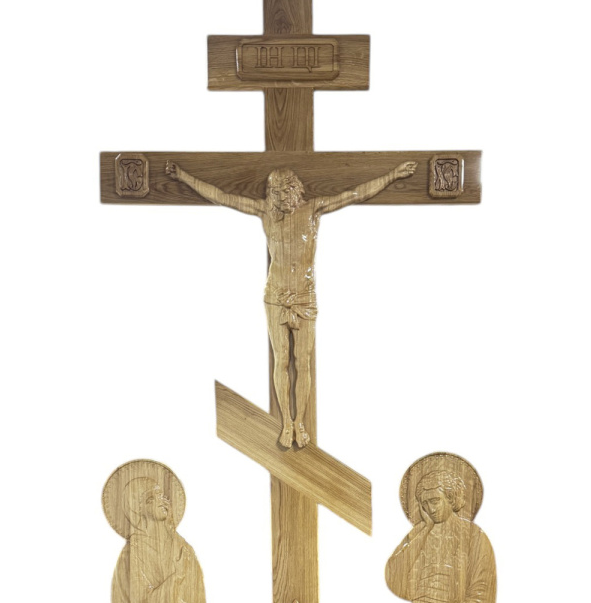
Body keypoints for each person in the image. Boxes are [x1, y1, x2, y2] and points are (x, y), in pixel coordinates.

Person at [167, 160, 417, 448]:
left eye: (286, 192)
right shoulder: (266, 212)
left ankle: (300, 422)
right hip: (276, 297)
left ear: (297, 190)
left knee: (303, 360)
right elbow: (222, 196)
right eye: (275, 193)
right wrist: (183, 176)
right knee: (282, 359)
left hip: (304, 297)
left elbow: (356, 194)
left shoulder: (313, 209)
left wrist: (393, 174)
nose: (281, 198)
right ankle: (286, 421)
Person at [97, 472, 265, 603]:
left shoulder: (181, 546)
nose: (162, 501)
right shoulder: (133, 553)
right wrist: (175, 577)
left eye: (162, 495)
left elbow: (194, 601)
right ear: (137, 510)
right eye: (151, 498)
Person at [378, 469, 496, 603]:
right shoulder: (420, 533)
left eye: (435, 501)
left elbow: (481, 596)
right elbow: (395, 577)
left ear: (451, 498)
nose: (430, 509)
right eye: (425, 504)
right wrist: (424, 531)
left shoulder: (475, 537)